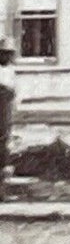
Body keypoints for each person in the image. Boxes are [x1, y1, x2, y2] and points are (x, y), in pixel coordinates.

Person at [0, 35, 16, 198]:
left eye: (10, 53)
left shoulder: (11, 71)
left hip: (6, 117)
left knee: (5, 153)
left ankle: (2, 192)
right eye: (4, 53)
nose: (7, 56)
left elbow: (13, 95)